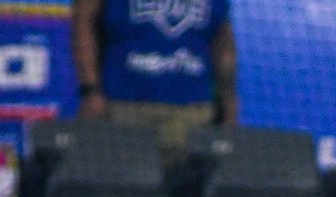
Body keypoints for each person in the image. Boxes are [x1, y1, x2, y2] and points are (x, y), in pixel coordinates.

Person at [73, 0, 239, 164]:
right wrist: (91, 90)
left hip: (193, 109)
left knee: (188, 184)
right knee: (122, 183)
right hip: (124, 105)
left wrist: (229, 101)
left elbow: (222, 39)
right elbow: (83, 21)